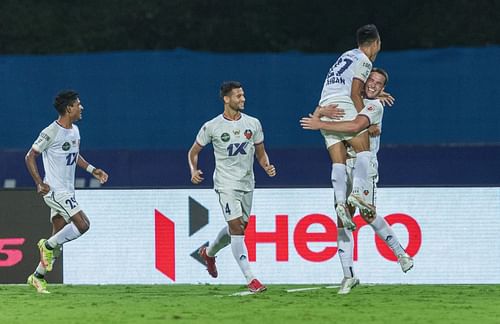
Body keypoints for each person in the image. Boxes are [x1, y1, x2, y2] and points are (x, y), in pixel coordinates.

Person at [301, 68, 414, 295]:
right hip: (345, 166)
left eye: (378, 84)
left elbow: (352, 127)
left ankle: (401, 254)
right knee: (342, 219)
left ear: (382, 88)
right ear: (363, 82)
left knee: (368, 215)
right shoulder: (351, 100)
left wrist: (320, 123)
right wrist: (321, 112)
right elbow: (319, 114)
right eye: (370, 80)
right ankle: (348, 276)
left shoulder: (375, 106)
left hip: (364, 167)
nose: (373, 85)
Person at [188, 81, 276, 293]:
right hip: (226, 184)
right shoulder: (212, 126)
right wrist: (193, 170)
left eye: (243, 95)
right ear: (227, 99)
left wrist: (266, 166)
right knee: (237, 229)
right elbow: (193, 152)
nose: (243, 99)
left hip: (247, 182)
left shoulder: (253, 123)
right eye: (238, 96)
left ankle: (207, 253)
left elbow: (260, 151)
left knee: (238, 227)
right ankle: (251, 279)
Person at [25, 90, 108, 293]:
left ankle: (37, 277)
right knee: (82, 224)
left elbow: (75, 155)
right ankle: (46, 246)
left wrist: (92, 169)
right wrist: (38, 182)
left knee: (58, 238)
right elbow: (30, 156)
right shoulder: (50, 131)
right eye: (78, 104)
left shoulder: (75, 131)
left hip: (68, 192)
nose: (82, 107)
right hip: (55, 191)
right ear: (69, 108)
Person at [314, 24, 382, 233]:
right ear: (377, 43)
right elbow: (354, 93)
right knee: (363, 149)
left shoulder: (347, 55)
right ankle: (359, 193)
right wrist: (366, 118)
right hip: (343, 104)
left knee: (338, 159)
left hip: (325, 104)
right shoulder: (364, 60)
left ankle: (341, 203)